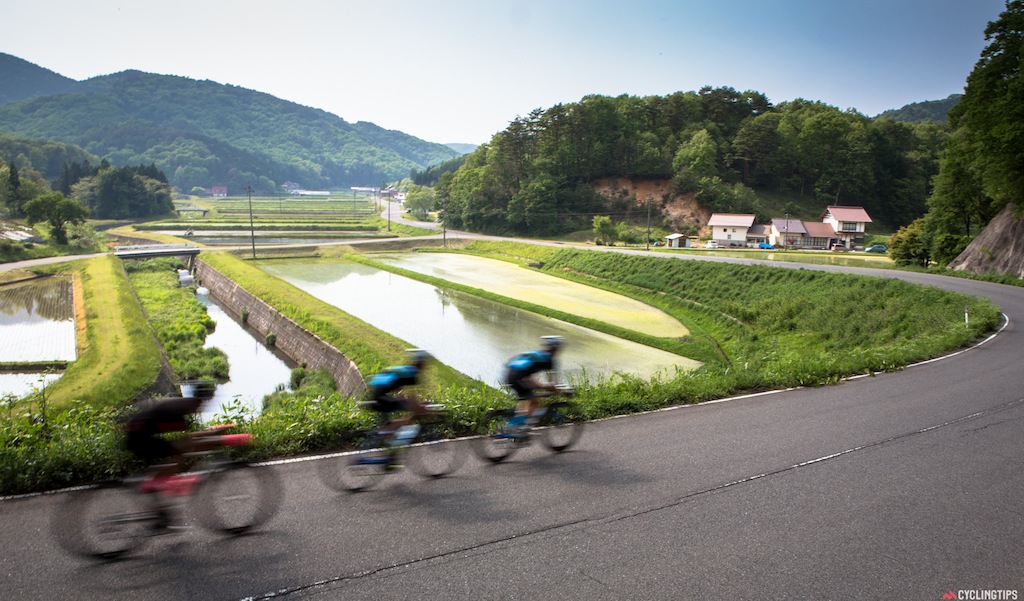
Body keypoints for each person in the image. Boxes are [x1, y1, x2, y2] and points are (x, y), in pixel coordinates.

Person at [123, 394, 228, 528]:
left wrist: (210, 435)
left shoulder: (182, 405)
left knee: (166, 464)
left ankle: (160, 513)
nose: (200, 409)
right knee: (173, 458)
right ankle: (146, 489)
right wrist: (214, 436)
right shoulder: (179, 414)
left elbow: (190, 438)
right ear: (196, 403)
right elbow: (188, 442)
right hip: (140, 436)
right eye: (200, 405)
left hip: (139, 430)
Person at [366, 349, 433, 453]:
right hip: (381, 398)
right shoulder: (413, 374)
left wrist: (411, 401)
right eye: (425, 363)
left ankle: (387, 435)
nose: (426, 366)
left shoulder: (406, 370)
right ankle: (384, 433)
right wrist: (422, 407)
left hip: (377, 395)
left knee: (408, 407)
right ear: (422, 363)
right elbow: (412, 397)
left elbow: (399, 390)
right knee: (416, 411)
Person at [503, 335, 565, 430]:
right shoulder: (549, 360)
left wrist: (542, 386)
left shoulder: (538, 353)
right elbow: (554, 383)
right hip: (518, 377)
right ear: (555, 348)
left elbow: (524, 368)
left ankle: (518, 428)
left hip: (510, 373)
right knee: (533, 402)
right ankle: (512, 428)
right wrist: (562, 392)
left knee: (527, 399)